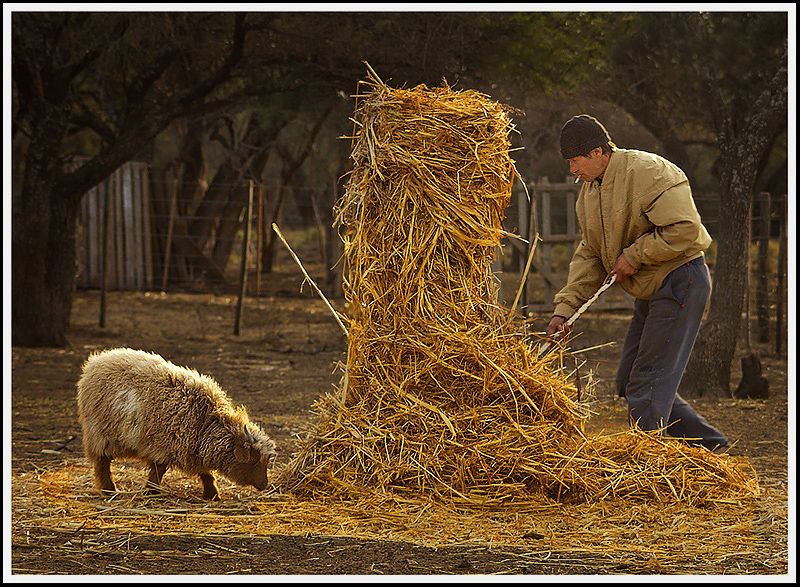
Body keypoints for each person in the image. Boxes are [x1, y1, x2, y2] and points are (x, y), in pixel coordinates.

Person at [546, 114, 728, 452]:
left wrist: (635, 255)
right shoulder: (589, 191)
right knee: (632, 379)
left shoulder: (650, 172)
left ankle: (647, 464)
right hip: (651, 289)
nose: (572, 169)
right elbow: (590, 255)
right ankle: (713, 449)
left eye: (575, 160)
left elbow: (685, 230)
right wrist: (565, 310)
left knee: (648, 383)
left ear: (598, 151)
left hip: (681, 281)